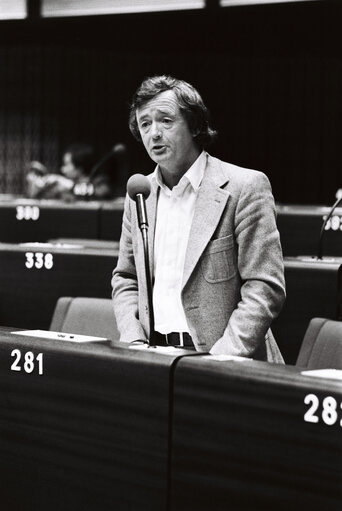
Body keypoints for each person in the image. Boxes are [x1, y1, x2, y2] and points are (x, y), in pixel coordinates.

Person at [112, 75, 286, 361]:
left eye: (165, 120)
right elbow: (126, 277)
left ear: (194, 125)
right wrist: (134, 342)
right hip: (154, 358)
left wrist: (221, 359)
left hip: (227, 362)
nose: (153, 133)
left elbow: (264, 287)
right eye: (145, 123)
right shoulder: (139, 193)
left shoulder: (244, 187)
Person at [26, 142, 123, 200]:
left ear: (79, 168)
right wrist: (36, 187)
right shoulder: (60, 186)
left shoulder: (100, 182)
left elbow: (103, 193)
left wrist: (69, 185)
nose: (62, 169)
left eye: (67, 164)